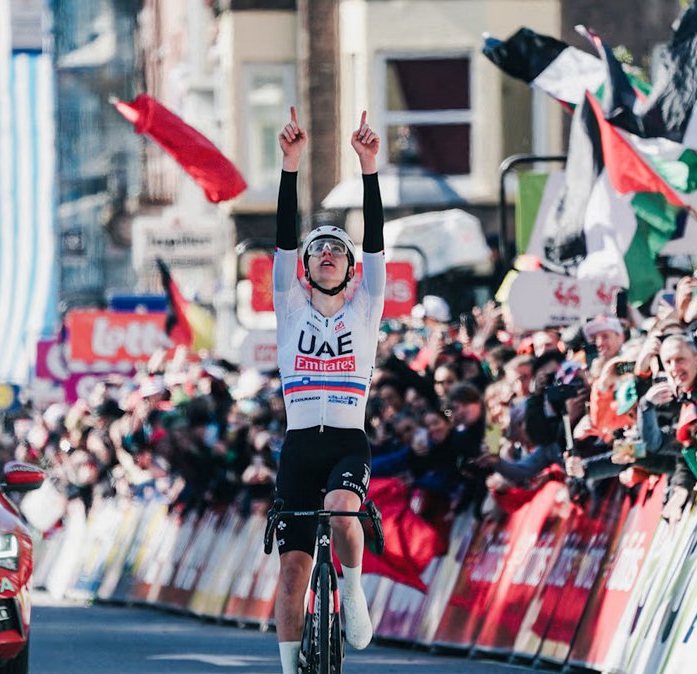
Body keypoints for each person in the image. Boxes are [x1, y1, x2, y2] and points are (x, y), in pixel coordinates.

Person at [271, 106, 384, 674]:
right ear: (307, 267)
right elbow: (285, 238)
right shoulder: (289, 306)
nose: (329, 255)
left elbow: (378, 242)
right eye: (319, 251)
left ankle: (355, 590)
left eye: (339, 250)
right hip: (298, 446)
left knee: (343, 510)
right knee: (291, 570)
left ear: (350, 267)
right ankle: (291, 667)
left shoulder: (367, 308)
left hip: (346, 442)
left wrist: (368, 169)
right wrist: (290, 166)